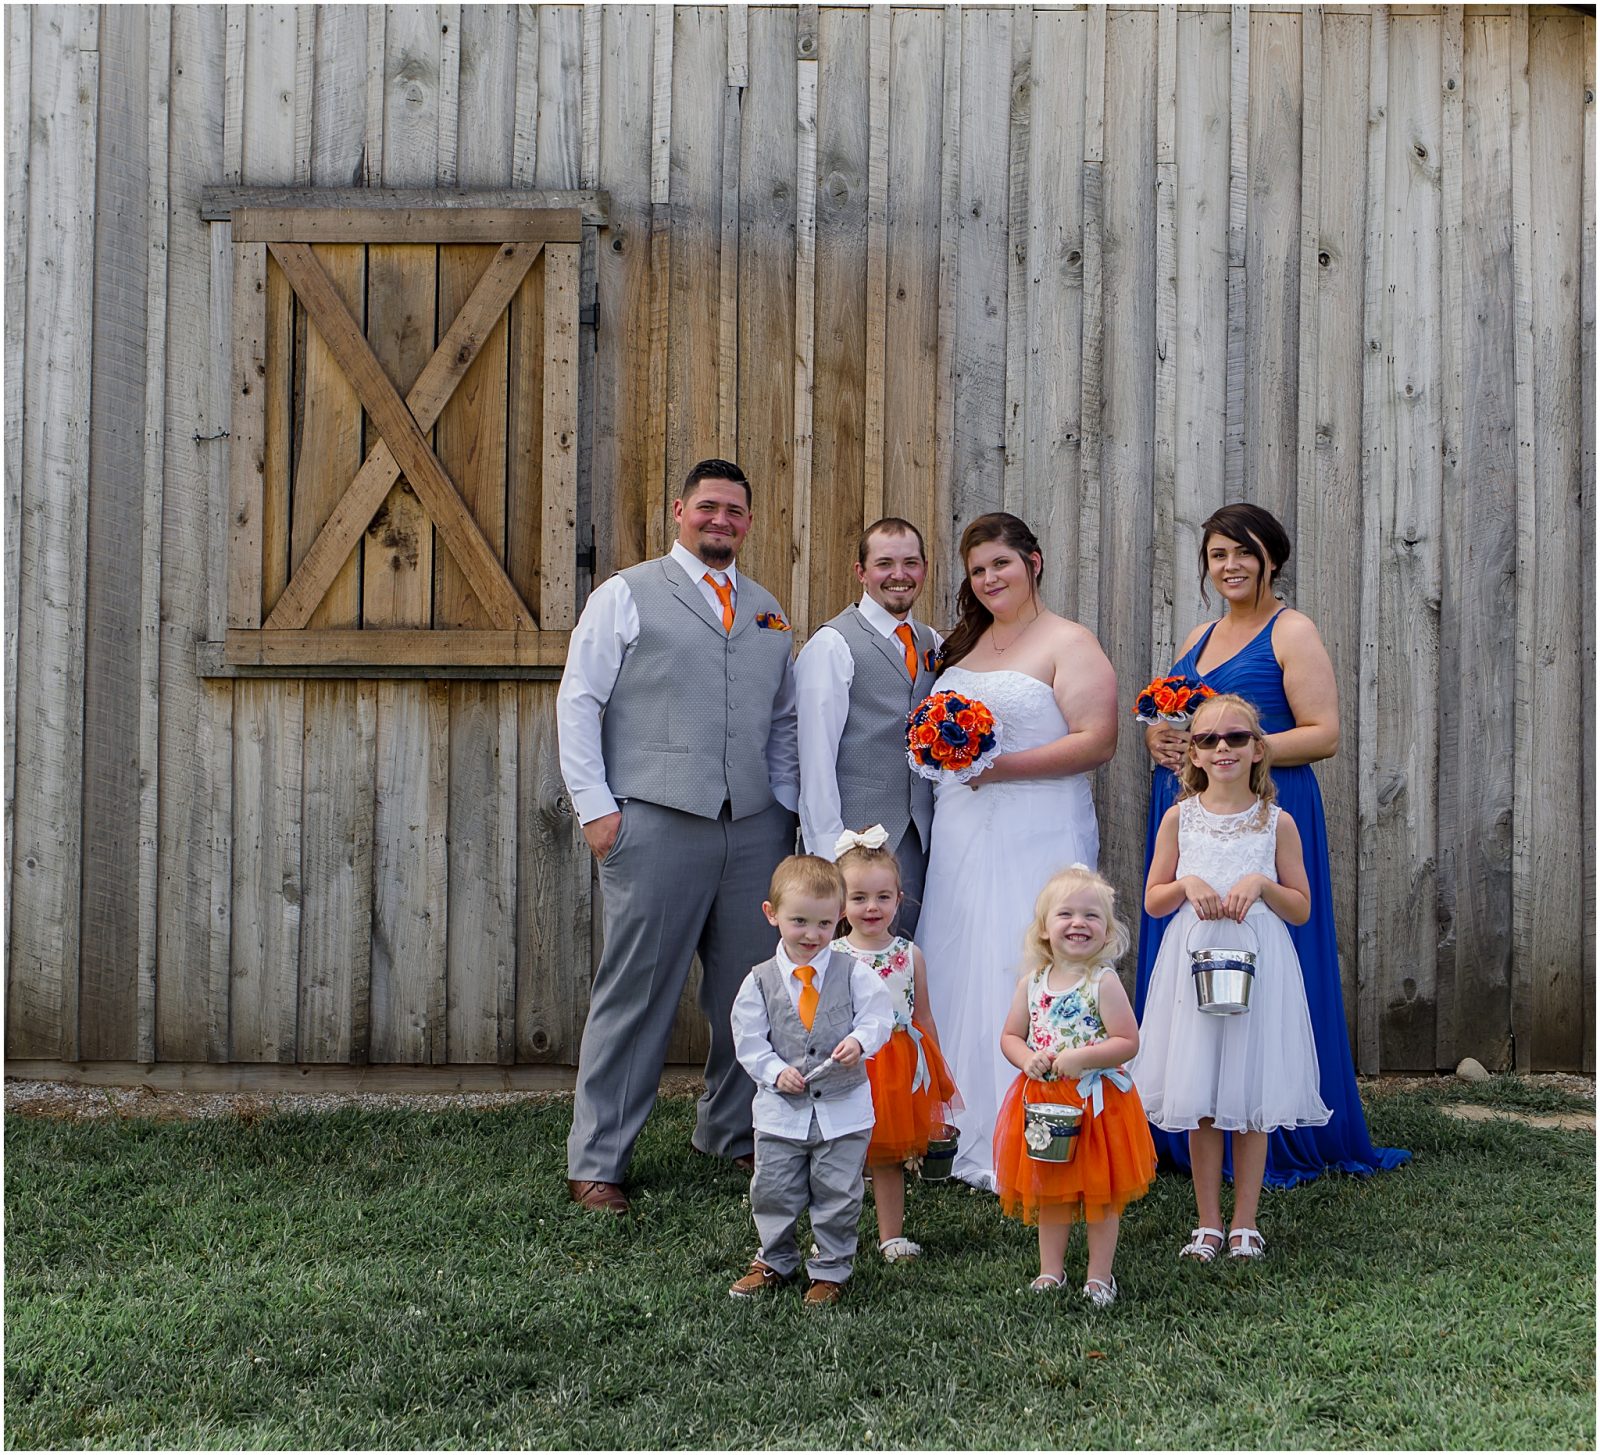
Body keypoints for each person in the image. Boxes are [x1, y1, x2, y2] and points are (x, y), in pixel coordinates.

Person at [1135, 502, 1409, 1187]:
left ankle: (1270, 1120)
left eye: (1244, 553)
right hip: (1190, 815)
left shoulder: (1293, 631)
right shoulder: (1199, 634)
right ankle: (1190, 1109)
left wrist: (1238, 750)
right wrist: (1160, 737)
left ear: (1272, 560)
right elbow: (1178, 717)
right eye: (1219, 554)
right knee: (1185, 956)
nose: (1230, 566)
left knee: (1273, 956)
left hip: (1267, 814)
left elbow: (1323, 732)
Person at [556, 459, 800, 1214]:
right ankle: (599, 1159)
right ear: (679, 512)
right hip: (655, 820)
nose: (720, 520)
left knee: (749, 993)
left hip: (754, 830)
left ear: (749, 523)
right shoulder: (624, 594)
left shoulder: (768, 611)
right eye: (708, 507)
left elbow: (785, 722)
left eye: (734, 510)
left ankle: (730, 1130)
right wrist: (598, 811)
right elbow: (579, 699)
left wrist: (784, 809)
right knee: (637, 992)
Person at [918, 513, 1118, 1190]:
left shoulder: (1069, 641)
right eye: (977, 570)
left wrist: (1003, 766)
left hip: (1038, 824)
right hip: (962, 829)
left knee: (1024, 955)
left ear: (1034, 561)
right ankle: (953, 1125)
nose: (990, 578)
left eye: (1001, 563)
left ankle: (1041, 1124)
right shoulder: (961, 649)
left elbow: (1098, 739)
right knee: (959, 954)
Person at [1131, 694, 1331, 1261]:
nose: (1222, 748)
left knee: (1250, 1087)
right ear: (1191, 752)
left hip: (1258, 960)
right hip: (1192, 960)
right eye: (1208, 739)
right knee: (1200, 1091)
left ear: (1257, 749)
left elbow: (1301, 908)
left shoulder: (1276, 822)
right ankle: (1208, 1222)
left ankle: (1246, 1221)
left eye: (1236, 738)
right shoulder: (1179, 818)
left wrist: (1262, 885)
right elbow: (1152, 901)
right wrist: (1186, 885)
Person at [727, 855, 895, 1306]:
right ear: (772, 915)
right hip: (781, 1114)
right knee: (773, 1188)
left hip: (843, 1112)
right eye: (798, 921)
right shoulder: (759, 982)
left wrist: (860, 1040)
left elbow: (879, 1016)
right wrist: (772, 1070)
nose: (811, 935)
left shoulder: (853, 973)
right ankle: (774, 1259)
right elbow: (748, 1039)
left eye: (823, 924)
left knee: (838, 1191)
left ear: (839, 918)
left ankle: (831, 1268)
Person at [993, 865, 1155, 1305]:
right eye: (1065, 914)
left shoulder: (1102, 982)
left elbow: (1128, 1041)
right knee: (1052, 1191)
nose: (1078, 923)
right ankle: (1052, 1270)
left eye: (1092, 916)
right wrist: (1028, 1059)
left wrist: (1081, 1058)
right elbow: (1010, 1036)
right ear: (1045, 929)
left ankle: (1100, 1276)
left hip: (1096, 1106)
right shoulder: (1031, 984)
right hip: (1045, 1102)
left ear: (1106, 933)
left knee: (1100, 1195)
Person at [795, 518, 940, 933]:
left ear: (924, 569)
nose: (899, 575)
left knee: (905, 966)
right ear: (861, 572)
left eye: (910, 562)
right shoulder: (833, 645)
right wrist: (831, 863)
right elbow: (815, 761)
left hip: (920, 844)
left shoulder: (931, 642)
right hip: (854, 854)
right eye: (885, 564)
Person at [830, 826, 960, 1263]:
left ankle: (891, 1236)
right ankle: (834, 1235)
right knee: (841, 1156)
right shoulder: (835, 957)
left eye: (883, 897)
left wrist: (938, 1073)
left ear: (899, 900)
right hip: (852, 1065)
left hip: (899, 1067)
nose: (872, 907)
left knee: (887, 1158)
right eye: (859, 897)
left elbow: (922, 1017)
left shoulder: (909, 954)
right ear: (840, 904)